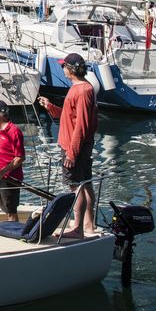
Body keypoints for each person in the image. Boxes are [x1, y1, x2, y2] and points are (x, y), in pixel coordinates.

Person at [38, 52, 98, 238]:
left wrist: (72, 153)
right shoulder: (80, 89)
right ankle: (88, 224)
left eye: (64, 66)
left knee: (76, 186)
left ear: (71, 69)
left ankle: (78, 228)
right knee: (85, 184)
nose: (62, 68)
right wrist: (51, 107)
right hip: (78, 145)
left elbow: (82, 124)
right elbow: (69, 116)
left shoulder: (82, 91)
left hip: (74, 147)